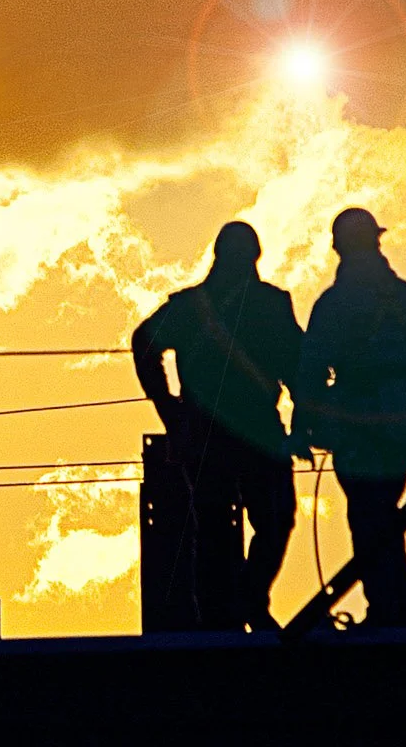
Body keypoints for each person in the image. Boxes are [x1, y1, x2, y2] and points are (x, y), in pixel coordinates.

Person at [132, 221, 303, 631]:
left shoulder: (193, 306)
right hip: (247, 428)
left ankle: (227, 612)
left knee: (221, 524)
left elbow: (144, 341)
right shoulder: (268, 303)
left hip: (207, 431)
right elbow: (297, 363)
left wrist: (170, 408)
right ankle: (240, 606)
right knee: (265, 518)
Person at [295, 208, 406, 627]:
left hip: (355, 424)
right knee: (381, 512)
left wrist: (305, 422)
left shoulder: (335, 304)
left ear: (339, 246)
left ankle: (391, 607)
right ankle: (396, 602)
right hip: (404, 424)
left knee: (369, 516)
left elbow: (310, 367)